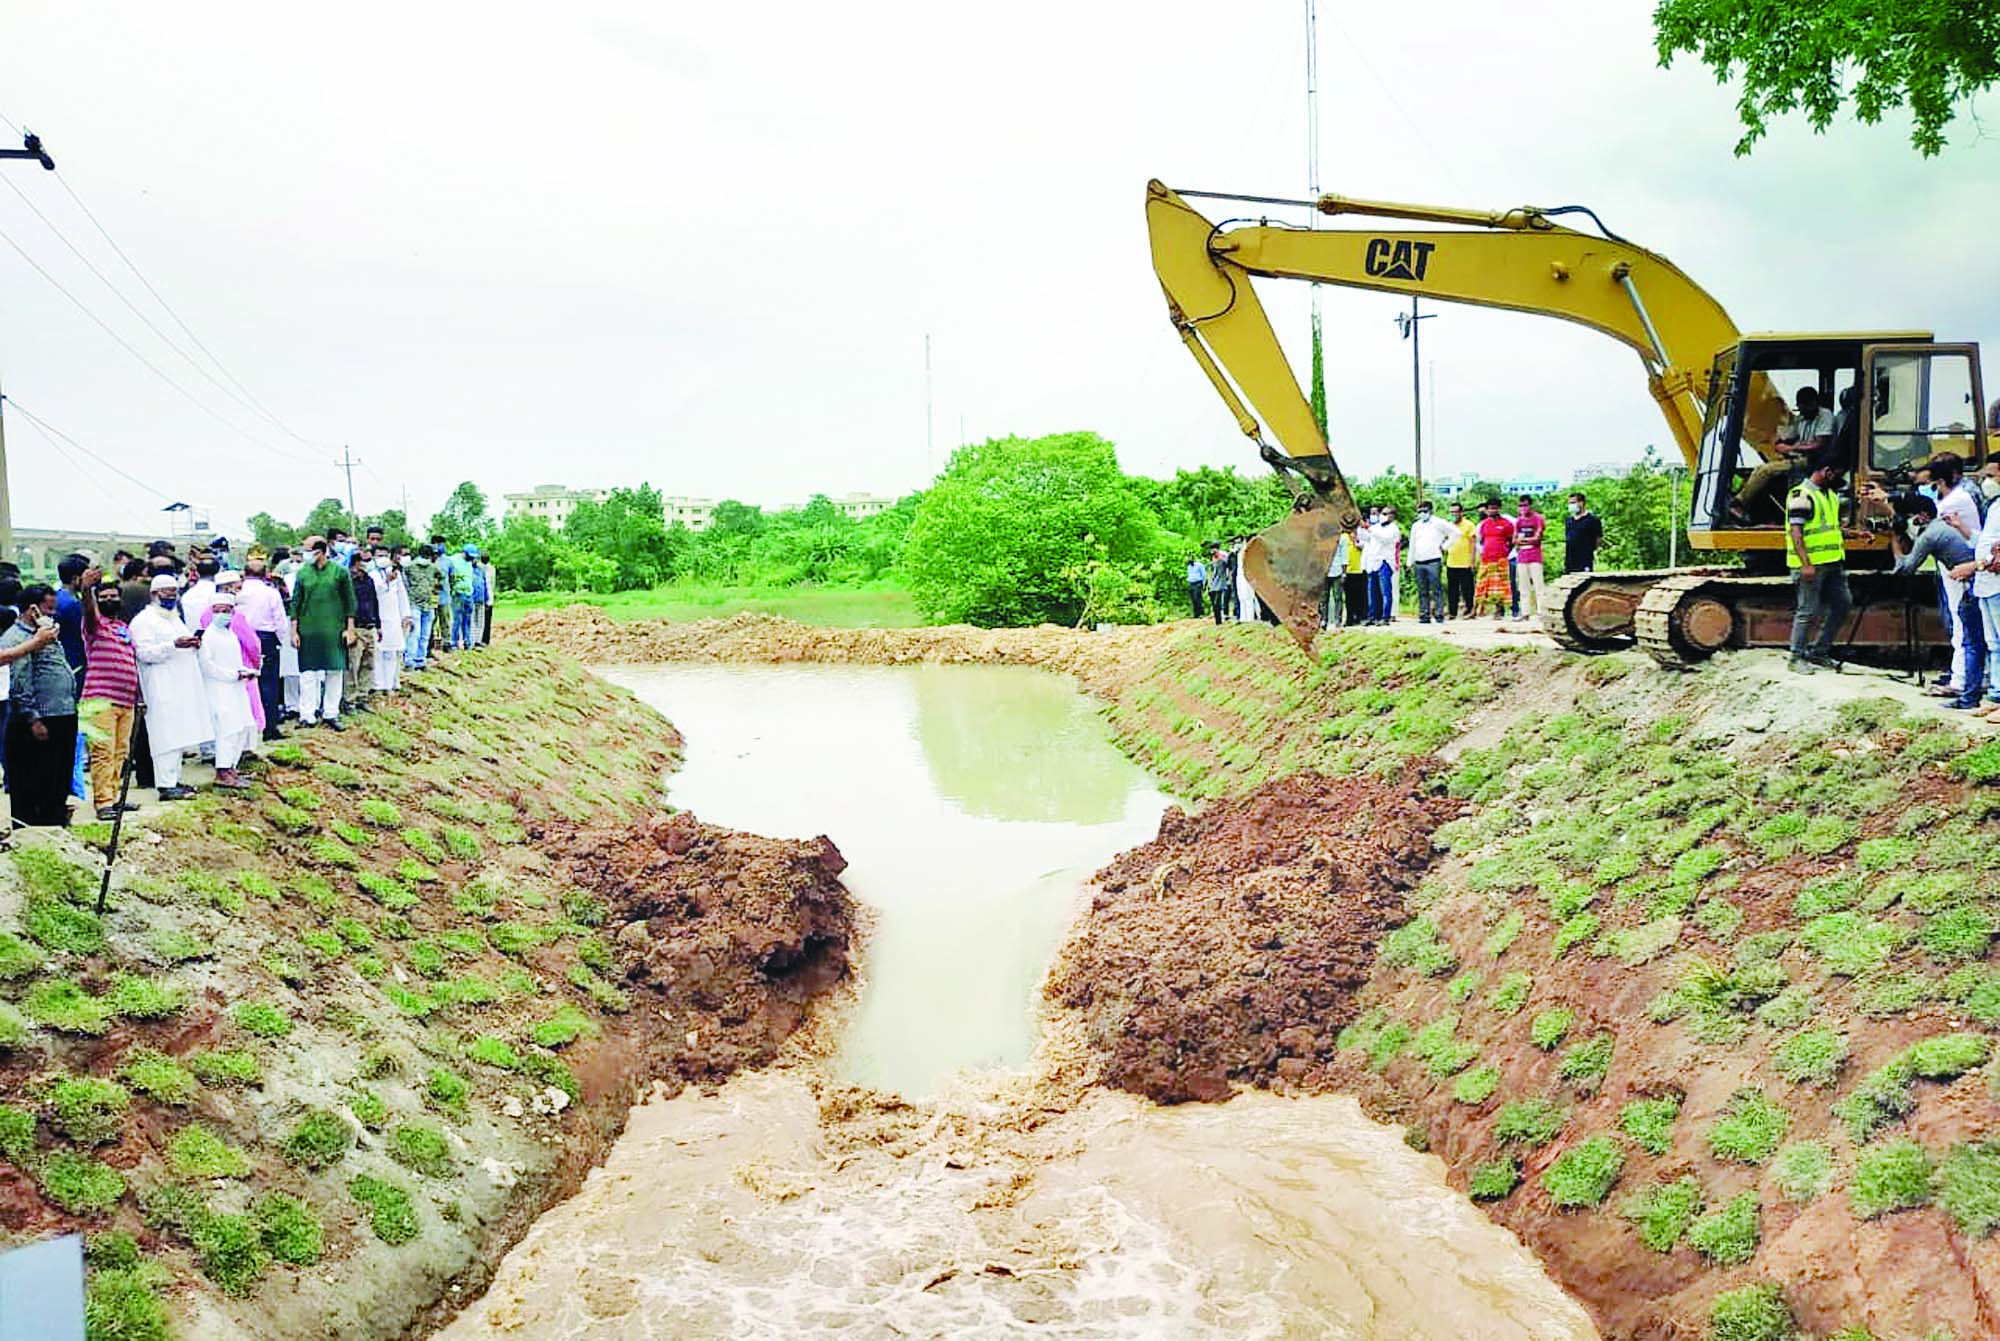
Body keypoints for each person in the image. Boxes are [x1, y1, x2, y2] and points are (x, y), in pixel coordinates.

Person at [1888, 495, 1982, 708]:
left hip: (1965, 582)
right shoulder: (1939, 528)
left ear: (1922, 516)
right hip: (1968, 580)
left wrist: (1894, 540)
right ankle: (1963, 681)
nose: (1908, 521)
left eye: (1910, 517)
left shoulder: (1930, 535)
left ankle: (1961, 684)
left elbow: (1905, 568)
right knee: (1968, 635)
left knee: (1964, 635)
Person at [2, 587, 77, 827]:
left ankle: (55, 825)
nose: (52, 615)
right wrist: (32, 718)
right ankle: (34, 833)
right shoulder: (18, 638)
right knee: (34, 780)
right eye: (48, 609)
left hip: (61, 713)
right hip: (40, 719)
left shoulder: (47, 634)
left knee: (57, 779)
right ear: (32, 610)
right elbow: (19, 682)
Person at [129, 575, 207, 800]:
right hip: (160, 686)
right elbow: (143, 653)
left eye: (174, 591)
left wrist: (192, 644)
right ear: (154, 594)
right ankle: (164, 785)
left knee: (178, 734)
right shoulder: (144, 620)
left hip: (180, 685)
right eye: (166, 591)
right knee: (165, 736)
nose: (171, 595)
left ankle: (173, 780)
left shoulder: (174, 619)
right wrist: (172, 645)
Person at [79, 576, 142, 821]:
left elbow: (132, 663)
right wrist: (87, 590)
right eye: (103, 597)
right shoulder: (94, 625)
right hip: (99, 700)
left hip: (126, 701)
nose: (109, 600)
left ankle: (115, 798)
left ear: (120, 600)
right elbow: (88, 609)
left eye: (113, 596)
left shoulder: (123, 628)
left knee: (120, 752)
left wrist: (139, 697)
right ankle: (103, 802)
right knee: (102, 752)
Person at [1785, 460, 1850, 673]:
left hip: (1833, 562)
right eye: (1837, 474)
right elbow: (1796, 532)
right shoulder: (1801, 496)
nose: (1840, 479)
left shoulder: (1829, 495)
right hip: (1812, 564)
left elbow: (1830, 527)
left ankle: (1819, 652)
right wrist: (1806, 564)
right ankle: (1796, 657)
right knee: (1808, 610)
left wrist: (1854, 534)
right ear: (1826, 471)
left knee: (1843, 604)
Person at [1734, 386, 1835, 519]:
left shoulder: (1825, 416)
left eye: (1805, 409)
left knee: (1766, 471)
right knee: (1759, 469)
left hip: (1814, 462)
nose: (1802, 413)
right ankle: (1747, 506)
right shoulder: (1802, 419)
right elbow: (1791, 435)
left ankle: (1740, 503)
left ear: (1813, 404)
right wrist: (1780, 440)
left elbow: (1819, 445)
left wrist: (1791, 449)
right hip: (1800, 458)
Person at [290, 536, 356, 729]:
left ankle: (331, 713)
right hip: (308, 631)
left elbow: (350, 603)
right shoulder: (303, 574)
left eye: (308, 550)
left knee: (334, 671)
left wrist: (350, 629)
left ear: (321, 551)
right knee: (308, 673)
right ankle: (307, 714)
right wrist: (294, 631)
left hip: (334, 630)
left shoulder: (340, 573)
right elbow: (295, 604)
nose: (305, 554)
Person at [198, 589, 258, 789]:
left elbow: (235, 661)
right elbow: (207, 666)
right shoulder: (209, 636)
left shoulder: (230, 634)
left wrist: (244, 671)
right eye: (218, 610)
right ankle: (222, 771)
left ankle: (232, 767)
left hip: (236, 688)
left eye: (227, 610)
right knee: (227, 730)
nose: (222, 613)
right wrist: (233, 675)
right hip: (219, 689)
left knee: (242, 728)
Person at [238, 548, 289, 741]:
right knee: (268, 683)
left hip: (241, 638)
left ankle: (247, 727)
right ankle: (269, 727)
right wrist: (279, 640)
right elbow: (280, 620)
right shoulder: (271, 593)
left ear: (245, 573)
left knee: (244, 683)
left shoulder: (238, 592)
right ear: (266, 574)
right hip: (266, 638)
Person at [1405, 500, 1456, 624]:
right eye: (1420, 511)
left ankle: (1439, 615)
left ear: (1431, 511)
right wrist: (1409, 562)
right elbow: (1412, 544)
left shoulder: (1439, 523)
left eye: (1424, 511)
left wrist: (1444, 546)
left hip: (1433, 560)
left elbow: (1455, 533)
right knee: (1422, 590)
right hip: (1419, 561)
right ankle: (1424, 615)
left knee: (1436, 589)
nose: (1422, 513)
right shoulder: (1416, 525)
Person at [371, 549, 413, 695]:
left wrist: (406, 615)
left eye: (385, 555)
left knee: (392, 652)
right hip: (378, 618)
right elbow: (373, 592)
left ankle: (390, 684)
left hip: (394, 618)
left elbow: (402, 594)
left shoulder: (396, 574)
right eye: (379, 556)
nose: (383, 559)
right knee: (378, 653)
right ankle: (378, 685)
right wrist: (385, 582)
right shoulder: (372, 574)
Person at [1475, 499, 1516, 620]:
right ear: (1487, 510)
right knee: (1483, 585)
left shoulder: (1507, 523)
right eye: (1490, 508)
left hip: (1501, 559)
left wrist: (1506, 551)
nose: (1492, 510)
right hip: (1486, 559)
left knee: (1500, 586)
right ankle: (1479, 610)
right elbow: (1480, 540)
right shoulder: (1484, 524)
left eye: (1495, 508)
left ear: (1499, 509)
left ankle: (1499, 611)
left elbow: (1512, 540)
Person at [403, 544, 441, 669]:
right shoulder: (411, 567)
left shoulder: (411, 566)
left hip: (423, 604)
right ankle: (412, 660)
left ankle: (418, 660)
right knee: (418, 634)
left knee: (420, 634)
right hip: (418, 604)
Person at [1363, 507, 1401, 625]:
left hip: (1385, 562)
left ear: (1392, 516)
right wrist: (1360, 527)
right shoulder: (1376, 527)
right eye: (1382, 514)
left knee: (1385, 591)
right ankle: (1373, 616)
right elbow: (1366, 538)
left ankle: (1385, 616)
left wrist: (1369, 528)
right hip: (1373, 562)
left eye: (1385, 514)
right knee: (1372, 591)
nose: (1382, 516)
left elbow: (1384, 539)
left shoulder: (1393, 529)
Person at [1514, 496, 1548, 619]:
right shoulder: (1518, 521)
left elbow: (1537, 538)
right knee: (1523, 586)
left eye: (1525, 505)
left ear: (1530, 506)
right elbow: (1515, 540)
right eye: (1521, 505)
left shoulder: (1538, 519)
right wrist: (1524, 541)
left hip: (1535, 556)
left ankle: (1541, 612)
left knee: (1539, 586)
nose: (1523, 508)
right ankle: (1525, 613)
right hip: (1522, 556)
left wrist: (1524, 540)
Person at [1445, 501, 1477, 618]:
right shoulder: (1449, 526)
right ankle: (1452, 612)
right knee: (1452, 589)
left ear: (1461, 512)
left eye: (1456, 512)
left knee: (1467, 589)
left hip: (1465, 562)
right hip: (1451, 562)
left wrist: (1472, 561)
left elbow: (1473, 543)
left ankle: (1469, 610)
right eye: (1451, 512)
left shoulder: (1469, 525)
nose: (1453, 514)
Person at [444, 544, 479, 649]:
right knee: (457, 619)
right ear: (464, 553)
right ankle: (454, 643)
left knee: (467, 620)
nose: (471, 558)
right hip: (458, 594)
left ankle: (467, 643)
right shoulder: (453, 560)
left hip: (469, 594)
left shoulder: (470, 563)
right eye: (470, 556)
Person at [1564, 493, 1603, 575]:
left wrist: (1591, 549)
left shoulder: (1592, 520)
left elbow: (1598, 538)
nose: (1571, 505)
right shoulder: (1569, 520)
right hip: (1570, 559)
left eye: (1573, 502)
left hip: (1585, 558)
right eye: (1570, 503)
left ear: (1581, 503)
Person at [1205, 545, 1231, 625]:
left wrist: (1228, 578)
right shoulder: (1212, 563)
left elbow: (1228, 567)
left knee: (1218, 603)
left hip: (1220, 584)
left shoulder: (1223, 560)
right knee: (1214, 604)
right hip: (1213, 586)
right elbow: (1210, 574)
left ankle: (1220, 620)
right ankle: (1217, 621)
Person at [478, 551, 497, 644]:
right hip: (484, 597)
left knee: (483, 620)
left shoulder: (481, 568)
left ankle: (484, 639)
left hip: (486, 597)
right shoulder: (491, 569)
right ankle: (483, 639)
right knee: (484, 620)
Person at [1185, 553, 1207, 619]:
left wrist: (1203, 583)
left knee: (1197, 598)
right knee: (1193, 599)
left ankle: (1201, 613)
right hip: (1191, 583)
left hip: (1198, 583)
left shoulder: (1199, 565)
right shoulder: (1189, 567)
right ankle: (1196, 614)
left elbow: (1203, 575)